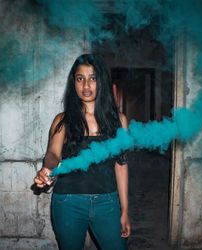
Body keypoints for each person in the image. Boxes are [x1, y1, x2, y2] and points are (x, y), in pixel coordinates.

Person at [33, 54, 131, 250]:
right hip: (68, 202)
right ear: (74, 83)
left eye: (92, 78)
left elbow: (121, 165)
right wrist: (47, 169)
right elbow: (53, 153)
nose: (86, 85)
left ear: (101, 81)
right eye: (80, 78)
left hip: (107, 202)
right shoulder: (63, 120)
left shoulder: (119, 121)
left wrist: (125, 210)